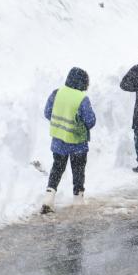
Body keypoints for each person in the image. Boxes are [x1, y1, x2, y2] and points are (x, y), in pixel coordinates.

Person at [41, 67, 96, 213]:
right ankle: (78, 200)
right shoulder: (82, 98)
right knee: (78, 170)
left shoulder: (56, 93)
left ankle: (49, 197)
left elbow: (47, 112)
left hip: (59, 141)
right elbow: (90, 121)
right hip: (77, 142)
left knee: (57, 168)